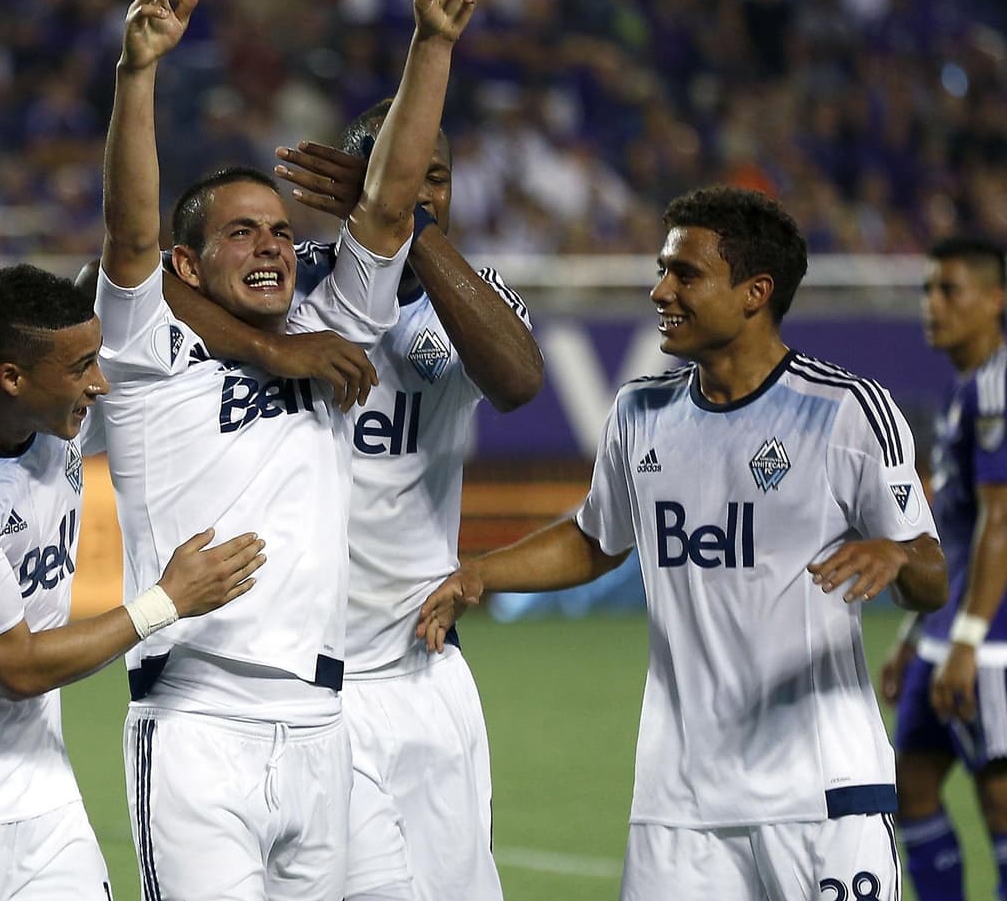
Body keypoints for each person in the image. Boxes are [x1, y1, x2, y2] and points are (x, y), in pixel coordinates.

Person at [92, 0, 479, 901]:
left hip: (324, 721)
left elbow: (388, 206)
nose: (269, 244)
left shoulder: (334, 322)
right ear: (187, 263)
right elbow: (129, 232)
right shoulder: (146, 347)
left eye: (276, 228)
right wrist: (136, 75)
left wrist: (429, 42)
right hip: (196, 724)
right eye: (238, 234)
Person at [419, 185, 949, 901]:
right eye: (663, 269)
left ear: (755, 291)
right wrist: (481, 573)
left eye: (685, 274)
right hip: (678, 805)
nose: (659, 289)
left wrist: (897, 554)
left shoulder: (848, 411)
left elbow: (931, 575)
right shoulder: (642, 410)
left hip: (820, 790)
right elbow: (594, 537)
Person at [164, 102, 544, 901]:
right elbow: (154, 291)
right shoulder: (291, 282)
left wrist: (411, 224)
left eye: (434, 176)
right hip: (306, 681)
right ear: (350, 182)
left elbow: (519, 382)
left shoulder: (476, 300)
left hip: (419, 668)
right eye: (398, 174)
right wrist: (271, 345)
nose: (421, 188)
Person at [0, 263, 265, 901]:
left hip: (39, 786)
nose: (100, 383)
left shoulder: (46, 416)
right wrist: (166, 601)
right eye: (80, 368)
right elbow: (19, 667)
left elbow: (115, 266)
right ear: (11, 378)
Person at [880, 236, 1007, 901]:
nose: (932, 304)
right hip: (948, 633)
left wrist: (966, 640)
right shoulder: (967, 389)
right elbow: (955, 533)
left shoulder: (999, 386)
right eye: (926, 290)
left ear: (996, 300)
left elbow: (1001, 521)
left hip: (989, 642)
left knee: (1000, 798)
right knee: (913, 781)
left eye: (949, 290)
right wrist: (913, 635)